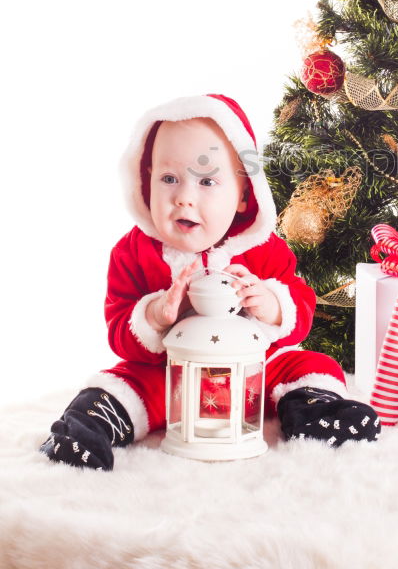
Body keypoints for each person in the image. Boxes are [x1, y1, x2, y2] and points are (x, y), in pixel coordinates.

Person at [40, 93, 380, 470]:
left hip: (255, 376)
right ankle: (89, 428)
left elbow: (300, 308)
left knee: (309, 363)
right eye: (169, 178)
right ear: (145, 181)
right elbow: (119, 328)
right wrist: (155, 314)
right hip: (170, 379)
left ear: (242, 195)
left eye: (206, 181)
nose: (184, 198)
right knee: (118, 382)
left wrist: (270, 303)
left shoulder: (263, 249)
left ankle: (315, 410)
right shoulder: (133, 252)